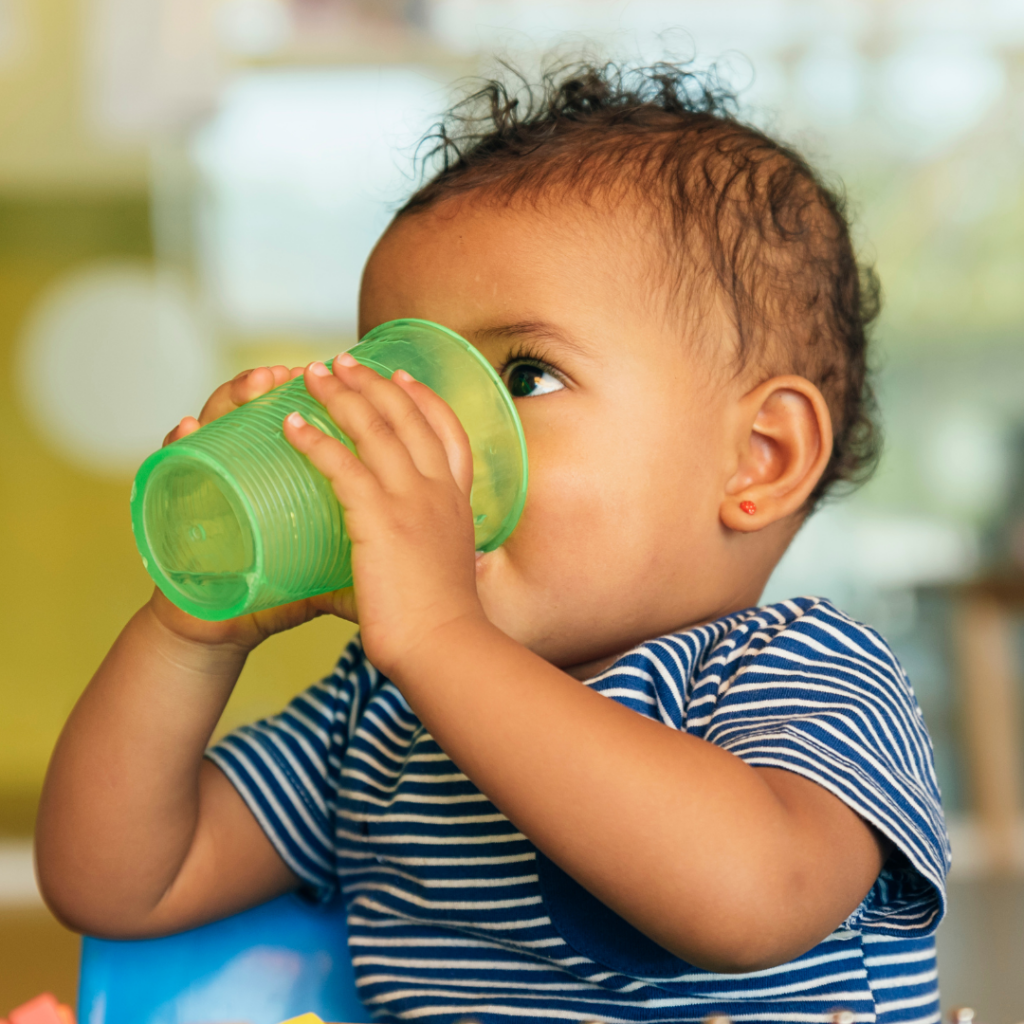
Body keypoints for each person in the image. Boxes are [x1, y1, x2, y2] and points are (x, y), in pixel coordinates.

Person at [36, 61, 948, 1023]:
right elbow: (121, 883)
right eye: (405, 384)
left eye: (522, 378)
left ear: (759, 459)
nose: (441, 442)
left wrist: (438, 637)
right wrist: (189, 635)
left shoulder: (803, 669)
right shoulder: (382, 715)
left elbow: (752, 901)